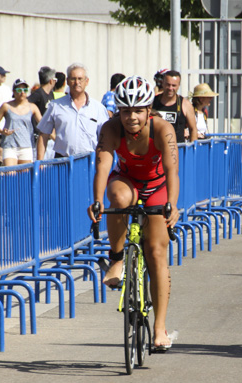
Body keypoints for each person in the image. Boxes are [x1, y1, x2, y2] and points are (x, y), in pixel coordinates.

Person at [87, 76, 179, 351]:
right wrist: (96, 201)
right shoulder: (111, 128)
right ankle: (117, 259)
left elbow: (172, 169)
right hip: (127, 181)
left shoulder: (163, 129)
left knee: (156, 253)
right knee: (116, 198)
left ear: (149, 110)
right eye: (125, 111)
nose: (131, 117)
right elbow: (103, 166)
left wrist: (172, 203)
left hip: (157, 186)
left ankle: (160, 328)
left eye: (138, 110)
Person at [36, 63, 109, 159]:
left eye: (80, 79)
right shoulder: (55, 106)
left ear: (86, 81)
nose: (77, 82)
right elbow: (43, 134)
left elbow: (106, 139)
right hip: (62, 162)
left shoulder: (98, 109)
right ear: (67, 81)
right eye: (73, 79)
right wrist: (40, 162)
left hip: (89, 162)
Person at [0, 78, 41, 165]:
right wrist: (2, 131)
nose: (22, 92)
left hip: (26, 146)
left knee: (24, 176)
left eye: (25, 90)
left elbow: (43, 125)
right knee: (10, 175)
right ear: (14, 92)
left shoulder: (32, 107)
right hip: (10, 146)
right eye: (19, 89)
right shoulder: (6, 106)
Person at [151, 70, 198, 144]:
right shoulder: (152, 102)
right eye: (168, 84)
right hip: (155, 149)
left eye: (174, 85)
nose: (170, 88)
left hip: (177, 150)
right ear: (163, 83)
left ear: (178, 85)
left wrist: (193, 151)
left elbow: (193, 129)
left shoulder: (185, 104)